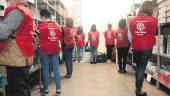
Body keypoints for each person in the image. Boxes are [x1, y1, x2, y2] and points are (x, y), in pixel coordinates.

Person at [0, 0, 35, 96]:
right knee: (22, 88)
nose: (8, 2)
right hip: (23, 56)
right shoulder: (26, 10)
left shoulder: (17, 12)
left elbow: (3, 33)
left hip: (15, 58)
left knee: (16, 90)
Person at [128, 1, 158, 96]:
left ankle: (138, 88)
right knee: (141, 68)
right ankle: (138, 90)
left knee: (138, 67)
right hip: (146, 47)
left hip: (136, 47)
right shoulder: (153, 20)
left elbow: (131, 34)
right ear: (150, 9)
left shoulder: (132, 20)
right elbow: (153, 34)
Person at [38, 9, 62, 96]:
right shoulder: (58, 26)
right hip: (55, 50)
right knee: (55, 69)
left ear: (44, 17)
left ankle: (46, 90)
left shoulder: (39, 27)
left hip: (44, 51)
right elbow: (59, 38)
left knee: (45, 70)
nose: (40, 19)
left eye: (41, 17)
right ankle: (58, 89)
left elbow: (34, 37)